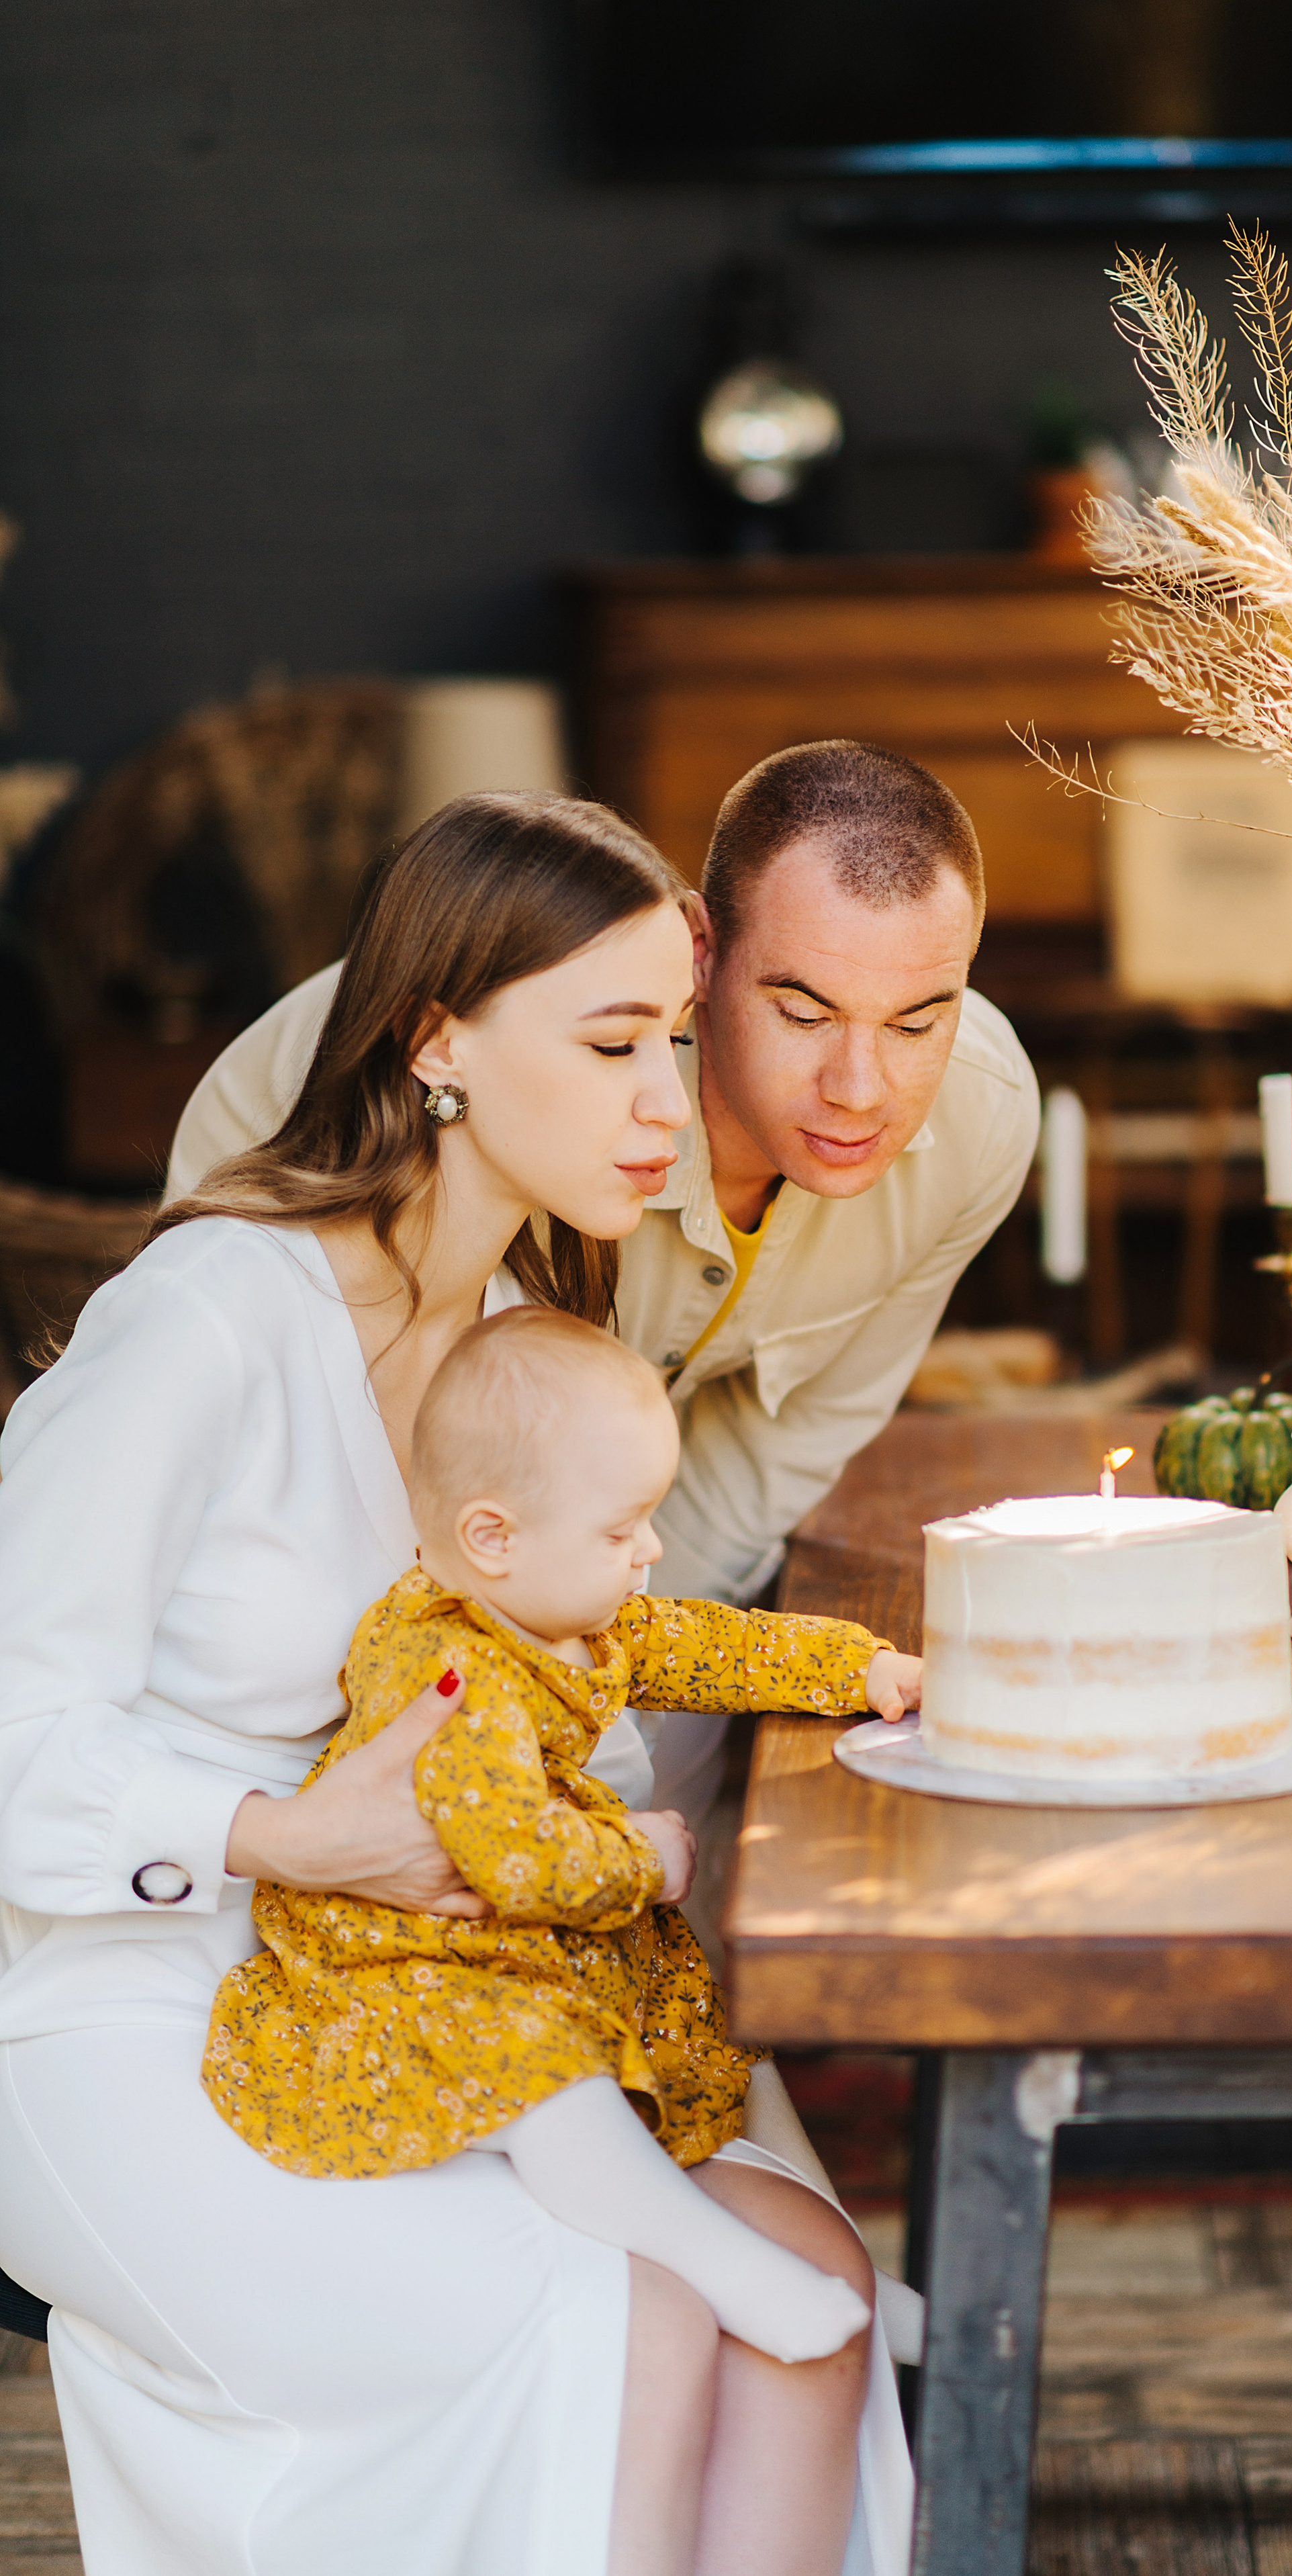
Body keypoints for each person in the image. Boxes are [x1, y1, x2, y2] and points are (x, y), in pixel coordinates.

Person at [0, 793, 909, 2576]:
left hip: (435, 1986)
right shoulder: (208, 1317)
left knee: (817, 2289)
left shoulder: (519, 1348)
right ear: (439, 1043)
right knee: (628, 2321)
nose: (670, 1102)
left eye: (677, 1042)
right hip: (121, 2012)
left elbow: (579, 1706)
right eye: (614, 1043)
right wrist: (274, 1835)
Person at [165, 738, 1041, 1834]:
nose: (861, 1090)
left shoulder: (986, 1113)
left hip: (639, 1584)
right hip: (339, 1564)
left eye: (919, 1022)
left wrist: (624, 1678)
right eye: (805, 1014)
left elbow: (788, 1446)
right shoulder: (514, 1104)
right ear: (700, 950)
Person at [204, 1304, 921, 2369]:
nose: (652, 1550)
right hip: (404, 1961)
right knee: (548, 2075)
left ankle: (841, 2252)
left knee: (712, 2033)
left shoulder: (557, 1610)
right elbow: (509, 1858)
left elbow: (704, 1643)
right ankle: (720, 2263)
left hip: (508, 1936)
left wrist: (855, 1668)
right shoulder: (450, 1671)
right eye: (623, 1528)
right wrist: (647, 1858)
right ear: (492, 1536)